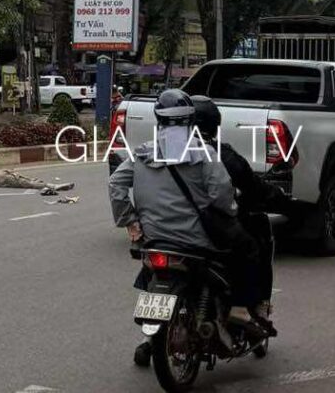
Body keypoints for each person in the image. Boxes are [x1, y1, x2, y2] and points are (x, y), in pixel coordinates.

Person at [109, 89, 265, 342]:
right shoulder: (204, 154)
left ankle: (153, 335)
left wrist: (130, 221)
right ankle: (239, 309)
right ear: (190, 120)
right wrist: (231, 212)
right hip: (197, 240)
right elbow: (221, 195)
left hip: (154, 238)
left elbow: (115, 184)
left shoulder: (143, 153)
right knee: (248, 247)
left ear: (159, 119)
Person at [0, 166, 74, 194]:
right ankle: (53, 186)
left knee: (29, 180)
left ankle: (52, 185)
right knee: (27, 183)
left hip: (1, 175)